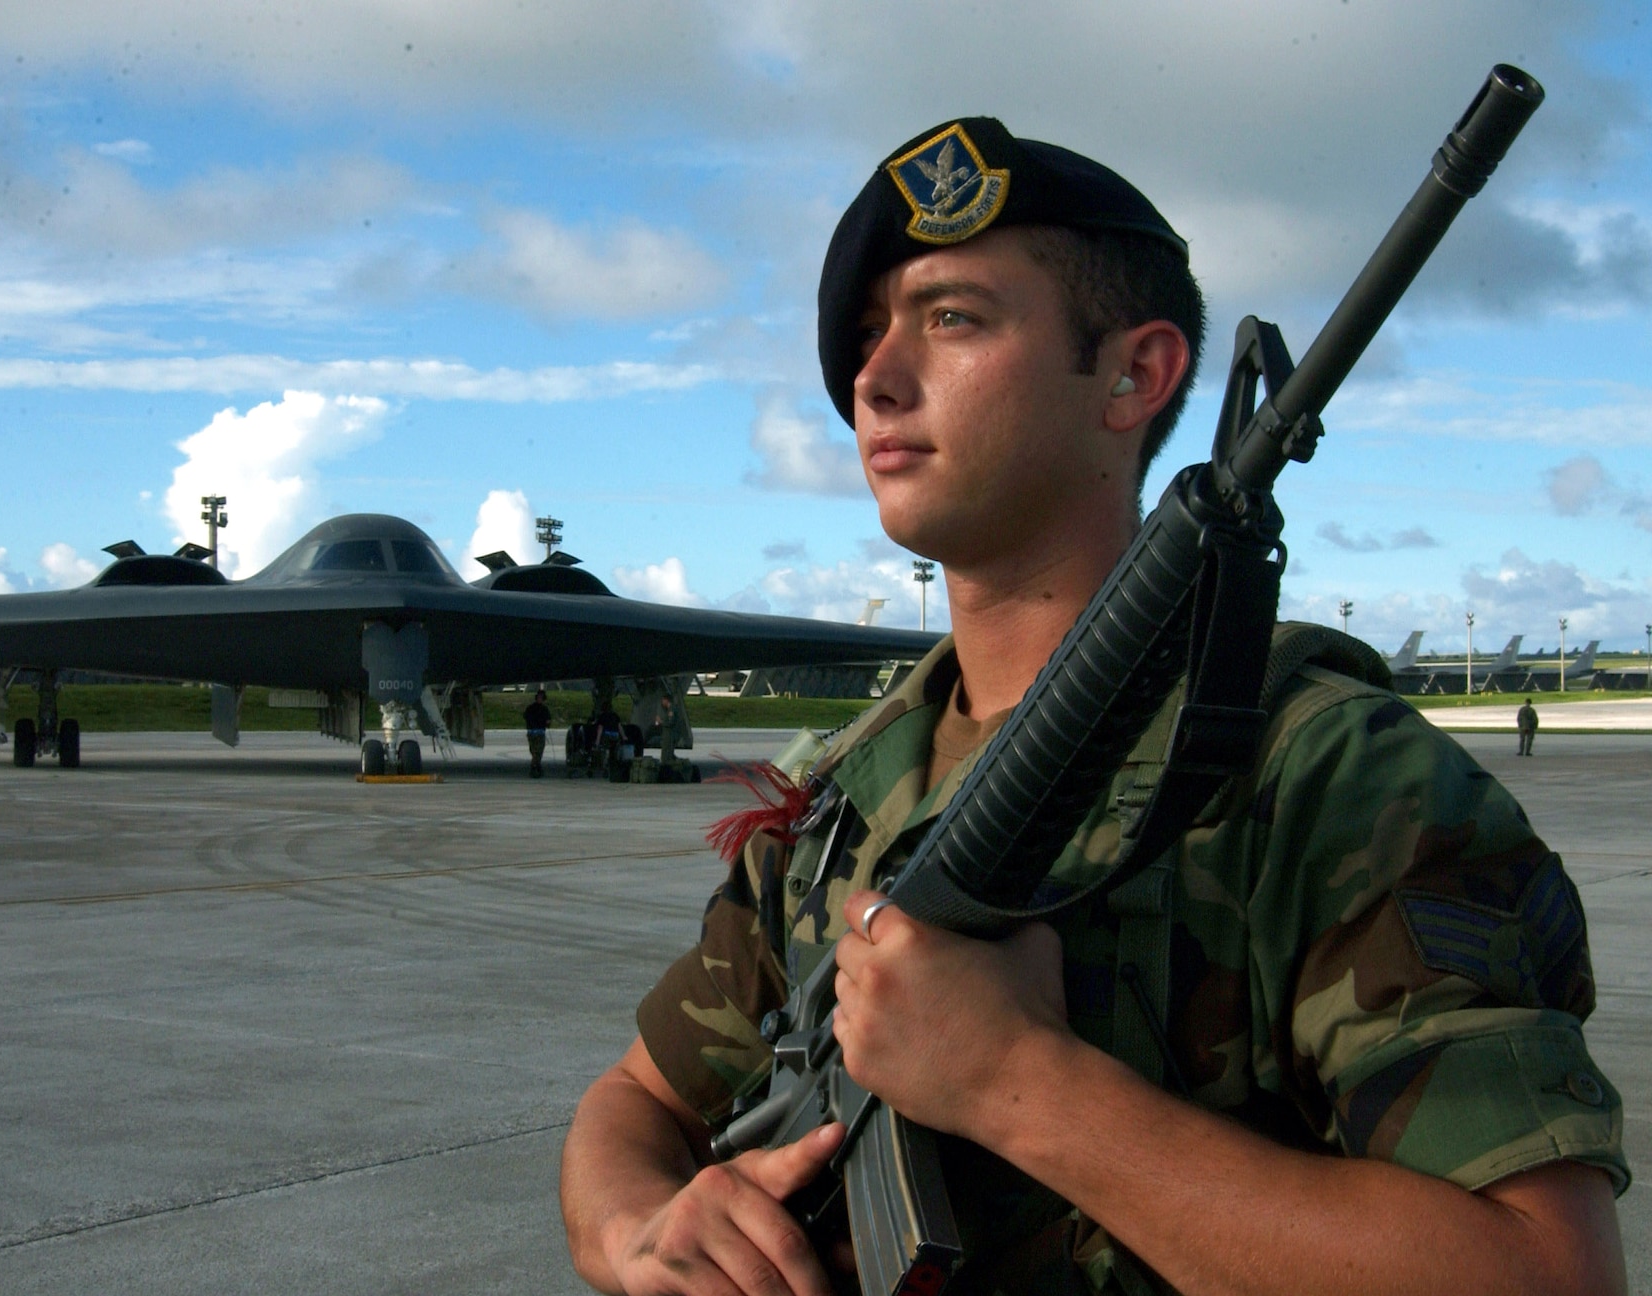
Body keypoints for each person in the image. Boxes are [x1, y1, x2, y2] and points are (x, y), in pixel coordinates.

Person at [560, 115, 1627, 1296]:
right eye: (866, 335)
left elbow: (1540, 1272)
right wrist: (639, 1235)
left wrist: (1019, 1082)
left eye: (951, 316)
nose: (872, 376)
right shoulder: (844, 801)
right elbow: (631, 1104)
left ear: (1134, 374)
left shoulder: (1325, 776)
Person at [525, 689, 552, 778]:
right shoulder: (544, 709)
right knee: (537, 751)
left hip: (533, 732)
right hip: (537, 733)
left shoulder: (530, 708)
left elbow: (525, 717)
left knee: (535, 751)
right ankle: (535, 766)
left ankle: (536, 766)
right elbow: (548, 721)